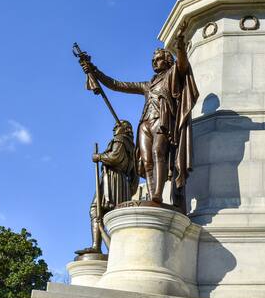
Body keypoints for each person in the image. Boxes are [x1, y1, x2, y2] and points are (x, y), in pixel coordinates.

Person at [80, 25, 198, 206]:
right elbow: (117, 84)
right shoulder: (147, 85)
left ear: (167, 61)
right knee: (146, 160)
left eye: (158, 59)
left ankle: (158, 193)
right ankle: (152, 196)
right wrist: (94, 70)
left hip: (162, 121)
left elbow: (182, 64)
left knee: (159, 153)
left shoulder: (173, 75)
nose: (154, 62)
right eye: (153, 60)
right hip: (145, 124)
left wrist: (180, 43)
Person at [77, 120, 136, 256]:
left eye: (117, 126)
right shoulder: (131, 146)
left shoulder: (120, 140)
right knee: (110, 213)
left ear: (124, 129)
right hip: (120, 181)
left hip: (112, 180)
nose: (114, 128)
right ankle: (108, 245)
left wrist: (99, 157)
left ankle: (97, 246)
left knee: (96, 209)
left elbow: (114, 157)